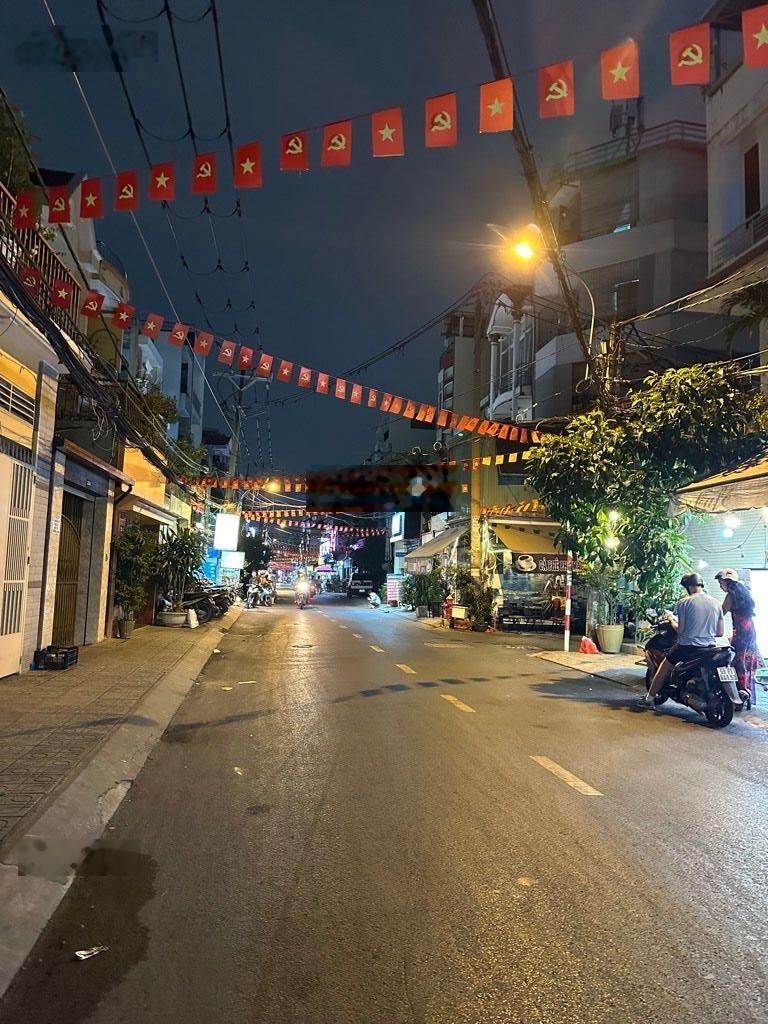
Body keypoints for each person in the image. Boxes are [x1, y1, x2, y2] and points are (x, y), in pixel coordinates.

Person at [640, 572, 724, 708]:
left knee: (664, 667)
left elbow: (681, 630)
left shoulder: (684, 602)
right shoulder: (716, 603)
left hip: (687, 647)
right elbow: (720, 632)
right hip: (709, 647)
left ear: (688, 586)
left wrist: (671, 620)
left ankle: (649, 699)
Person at [716, 568, 759, 708]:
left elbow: (720, 613)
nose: (720, 586)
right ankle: (747, 693)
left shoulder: (730, 596)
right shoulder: (744, 592)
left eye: (721, 583)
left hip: (741, 632)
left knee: (737, 662)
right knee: (747, 662)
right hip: (750, 630)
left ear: (727, 582)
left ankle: (739, 695)